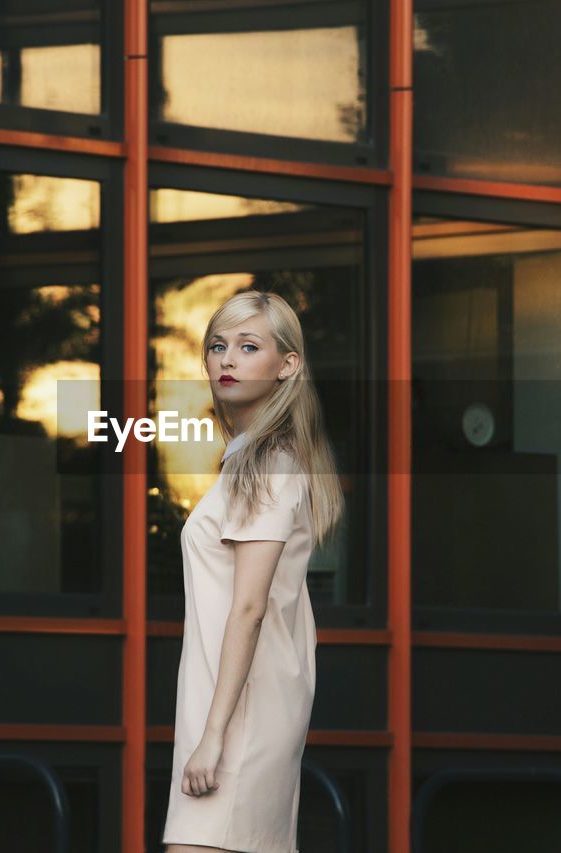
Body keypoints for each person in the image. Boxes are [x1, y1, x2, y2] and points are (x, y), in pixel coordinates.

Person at [162, 290, 345, 853]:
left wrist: (213, 735)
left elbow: (249, 605)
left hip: (239, 712)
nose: (228, 360)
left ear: (287, 364)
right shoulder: (250, 457)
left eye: (247, 346)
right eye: (218, 346)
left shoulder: (268, 463)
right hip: (231, 701)